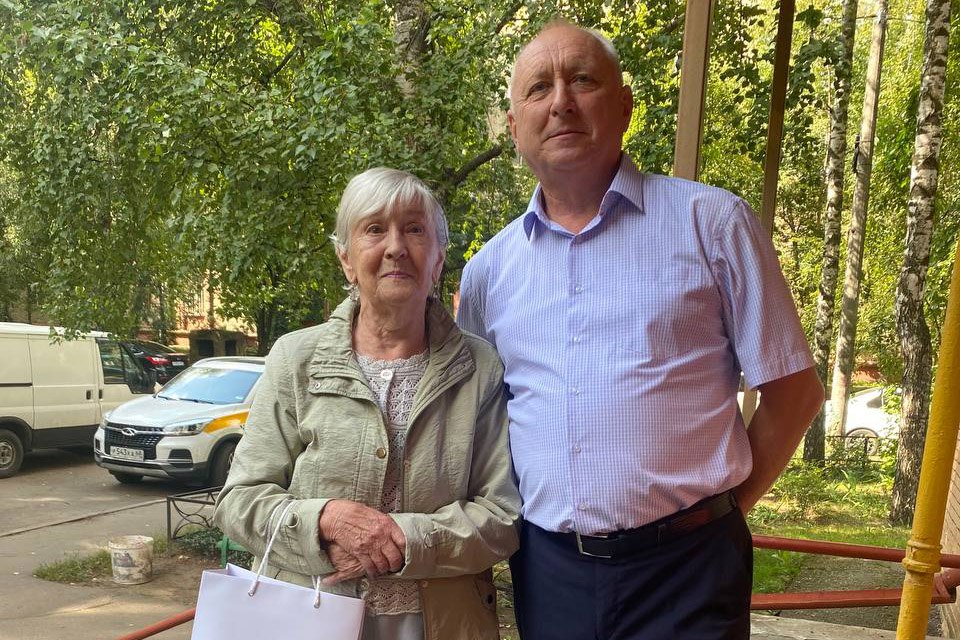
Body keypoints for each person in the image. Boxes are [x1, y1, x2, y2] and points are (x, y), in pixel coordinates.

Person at [457, 21, 825, 640]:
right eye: (539, 88)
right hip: (549, 574)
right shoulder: (488, 273)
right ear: (515, 127)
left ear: (625, 106)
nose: (561, 102)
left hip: (690, 572)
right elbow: (479, 422)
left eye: (582, 80)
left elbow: (795, 393)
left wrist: (723, 512)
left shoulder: (712, 224)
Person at [215, 167, 520, 640]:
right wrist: (324, 521)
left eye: (414, 229)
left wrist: (401, 540)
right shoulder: (296, 359)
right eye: (374, 229)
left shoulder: (479, 367)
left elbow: (501, 517)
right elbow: (239, 501)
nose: (396, 246)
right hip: (307, 618)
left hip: (442, 623)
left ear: (438, 259)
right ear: (346, 259)